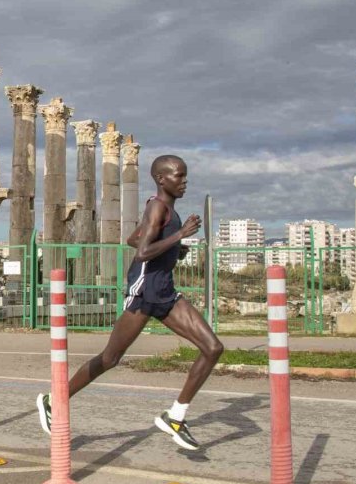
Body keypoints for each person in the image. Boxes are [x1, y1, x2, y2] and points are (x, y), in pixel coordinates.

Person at [37, 155, 223, 450]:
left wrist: (176, 247)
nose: (184, 181)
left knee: (213, 348)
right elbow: (143, 251)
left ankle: (176, 416)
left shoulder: (167, 210)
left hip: (164, 291)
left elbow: (132, 239)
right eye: (179, 176)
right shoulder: (157, 207)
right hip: (143, 291)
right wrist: (179, 235)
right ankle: (53, 400)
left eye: (185, 176)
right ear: (162, 179)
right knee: (110, 358)